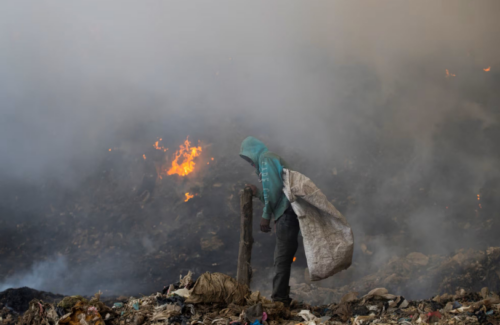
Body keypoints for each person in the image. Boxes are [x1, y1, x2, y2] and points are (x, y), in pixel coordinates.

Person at [239, 136, 299, 306]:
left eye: (248, 158)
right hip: (287, 211)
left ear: (253, 152)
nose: (250, 163)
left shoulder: (266, 158)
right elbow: (273, 193)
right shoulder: (269, 159)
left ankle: (280, 300)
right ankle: (281, 297)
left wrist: (266, 216)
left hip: (287, 213)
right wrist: (257, 192)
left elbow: (272, 192)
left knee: (281, 257)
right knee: (283, 256)